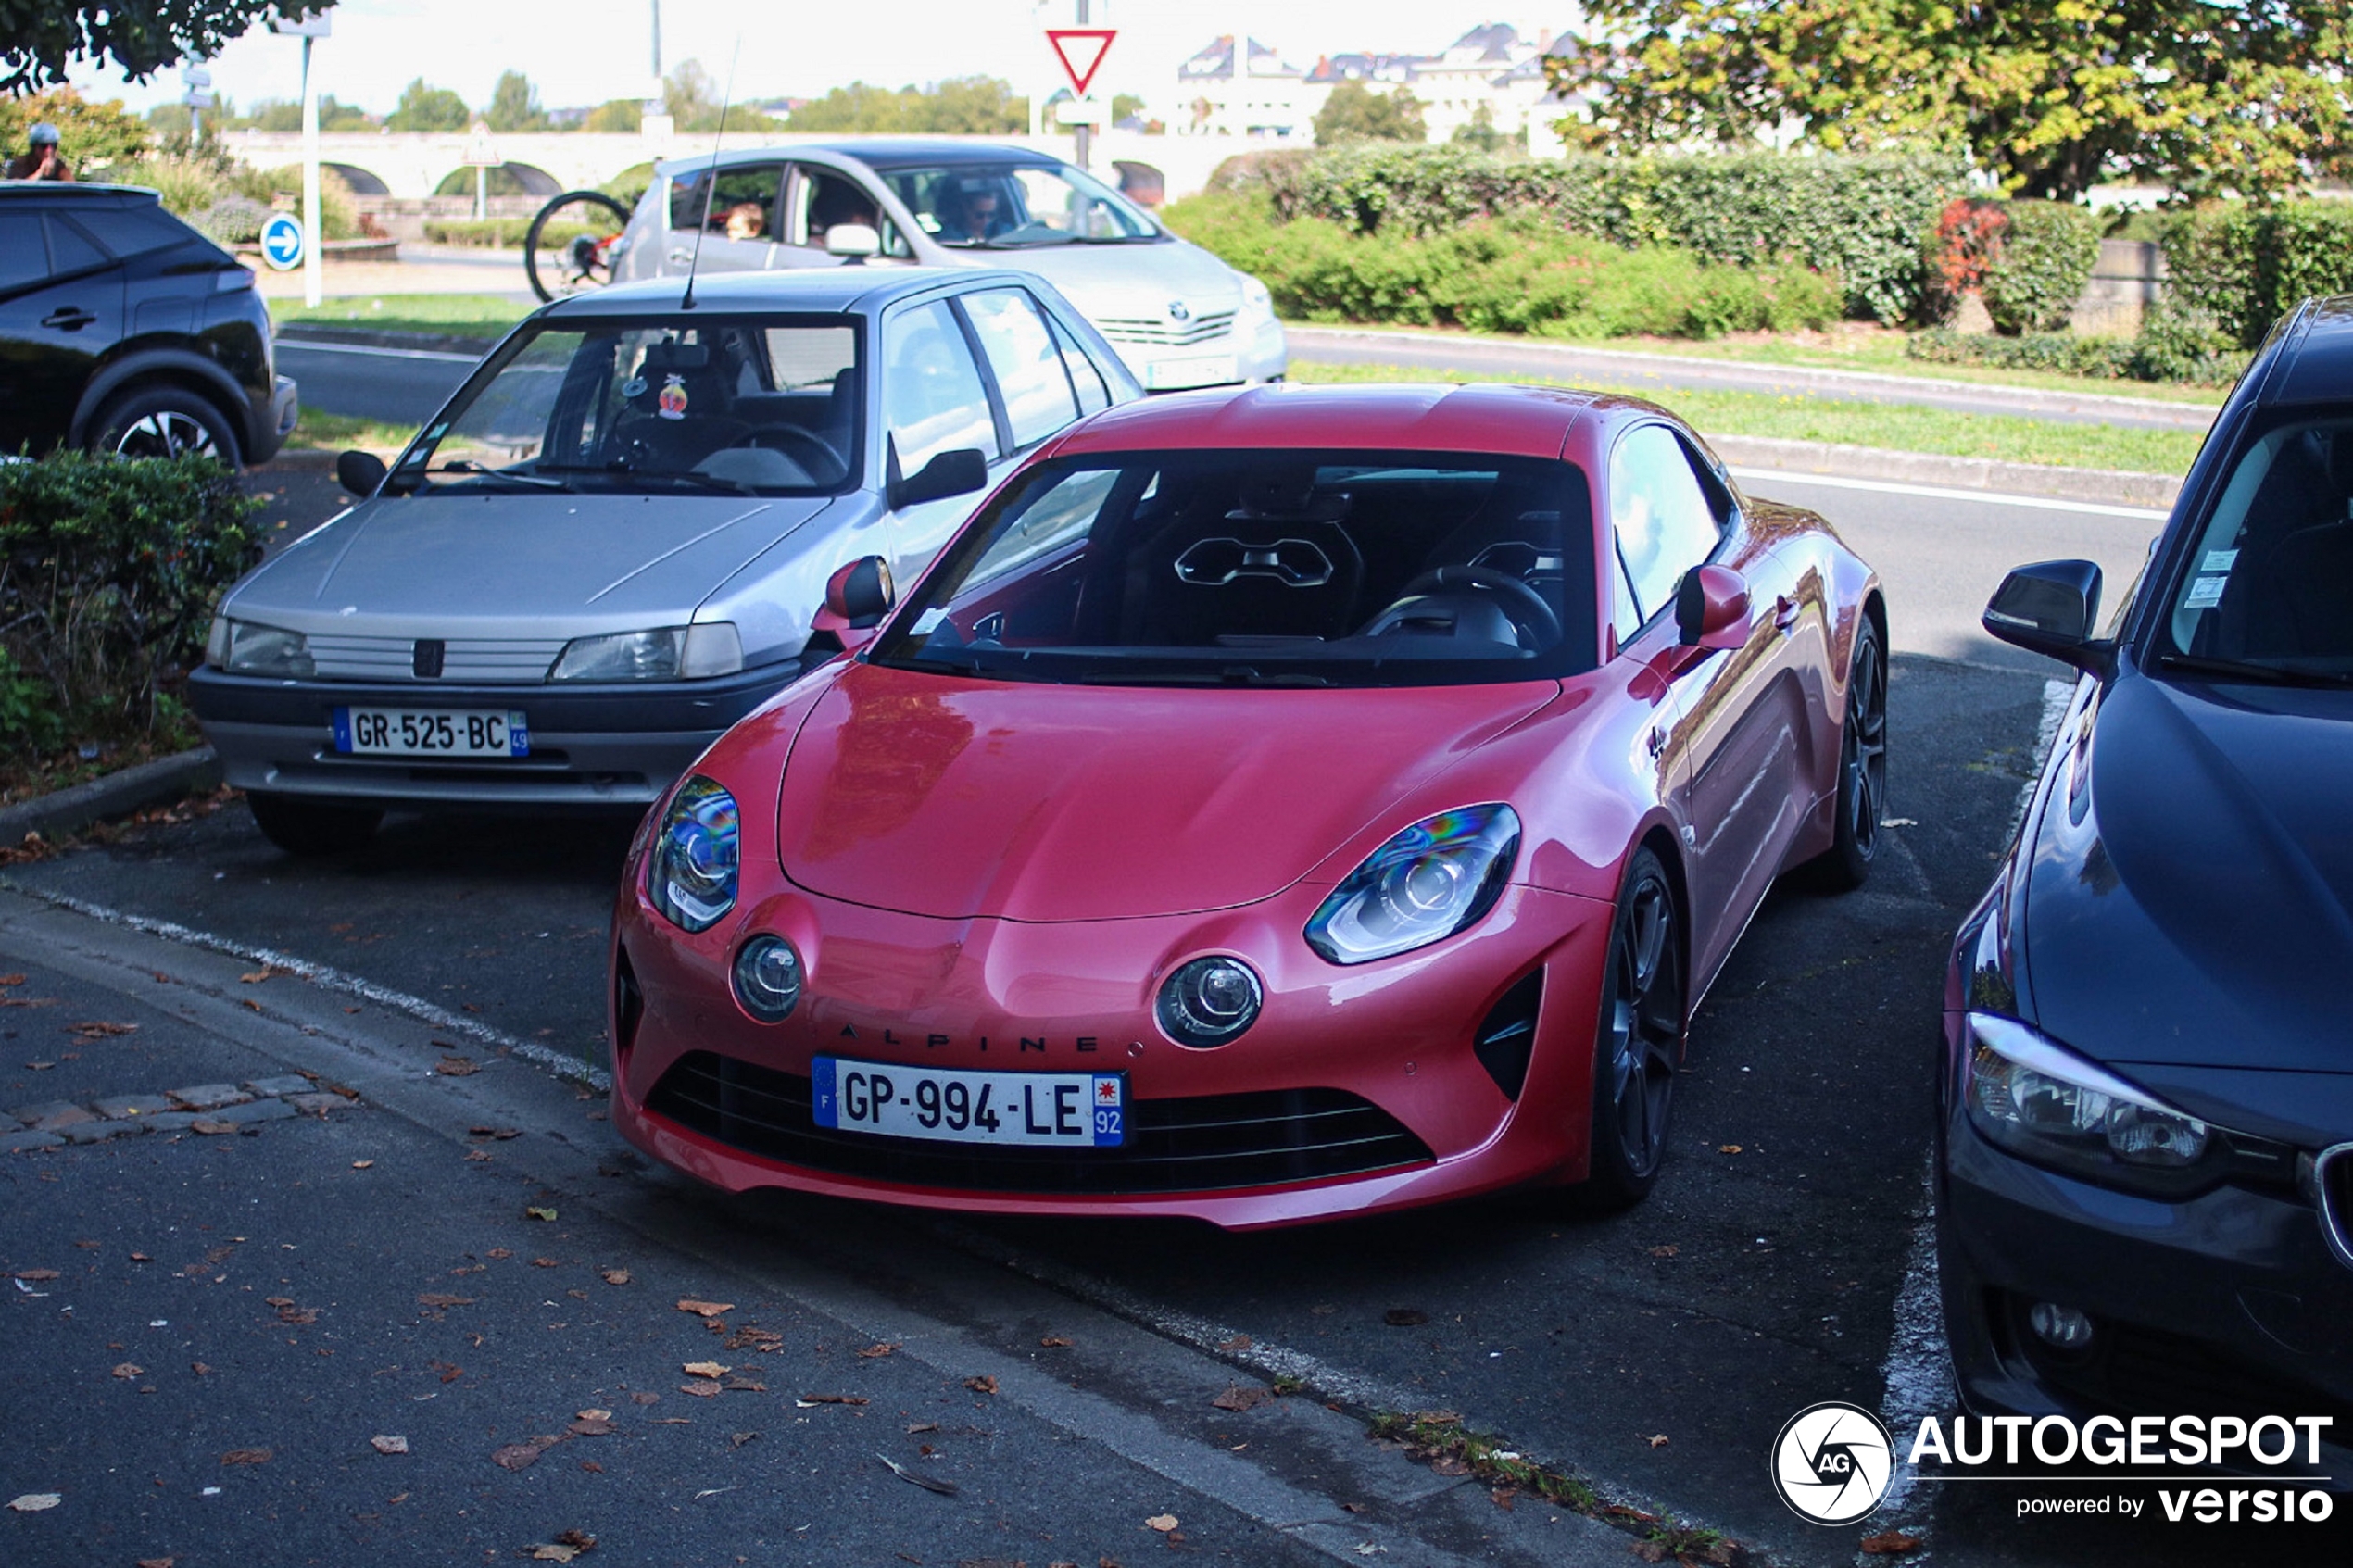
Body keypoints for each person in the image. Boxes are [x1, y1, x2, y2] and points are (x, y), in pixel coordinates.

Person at [936, 179, 1006, 244]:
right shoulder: (949, 237)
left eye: (991, 214)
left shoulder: (1004, 231)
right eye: (979, 215)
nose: (986, 220)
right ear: (966, 209)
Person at [5, 122, 74, 182]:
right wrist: (40, 173)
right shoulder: (20, 164)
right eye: (44, 146)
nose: (49, 150)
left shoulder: (59, 166)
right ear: (34, 148)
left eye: (53, 145)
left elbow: (73, 188)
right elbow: (17, 188)